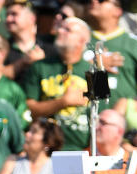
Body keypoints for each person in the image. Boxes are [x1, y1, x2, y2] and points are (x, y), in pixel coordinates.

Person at [23, 17, 91, 151]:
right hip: (45, 148)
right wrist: (63, 102)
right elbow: (29, 109)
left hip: (80, 149)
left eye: (67, 30)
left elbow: (101, 114)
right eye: (60, 27)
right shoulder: (40, 67)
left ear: (81, 41)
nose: (59, 31)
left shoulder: (93, 72)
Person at [83, 0, 137, 104]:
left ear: (117, 11)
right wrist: (95, 66)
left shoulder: (135, 44)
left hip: (122, 116)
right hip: (83, 115)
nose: (93, 1)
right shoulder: (79, 39)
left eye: (101, 0)